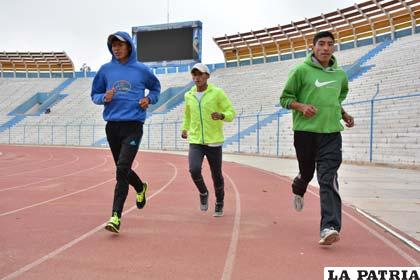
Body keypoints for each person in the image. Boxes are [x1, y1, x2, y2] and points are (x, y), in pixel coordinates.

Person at [280, 31, 354, 245]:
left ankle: (329, 227)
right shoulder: (301, 71)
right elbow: (284, 99)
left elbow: (334, 101)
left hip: (331, 133)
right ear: (312, 47)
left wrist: (344, 114)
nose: (325, 48)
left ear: (334, 48)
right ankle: (299, 187)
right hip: (305, 133)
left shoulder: (340, 75)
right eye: (321, 44)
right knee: (307, 172)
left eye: (330, 44)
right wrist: (301, 106)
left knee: (327, 178)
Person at [91, 32, 161, 233]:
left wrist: (149, 99)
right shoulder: (105, 70)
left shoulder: (141, 70)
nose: (116, 48)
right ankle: (140, 187)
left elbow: (156, 89)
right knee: (123, 169)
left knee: (121, 169)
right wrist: (104, 97)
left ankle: (115, 216)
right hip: (113, 126)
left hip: (133, 126)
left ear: (129, 46)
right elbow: (94, 94)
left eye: (120, 44)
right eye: (113, 45)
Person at [181, 63, 236, 217]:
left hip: (214, 141)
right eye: (194, 75)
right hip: (196, 140)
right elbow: (187, 115)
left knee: (216, 175)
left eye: (200, 74)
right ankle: (203, 192)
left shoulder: (217, 93)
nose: (197, 77)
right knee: (194, 170)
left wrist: (222, 115)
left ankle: (219, 202)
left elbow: (231, 112)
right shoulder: (188, 95)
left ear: (207, 76)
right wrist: (184, 129)